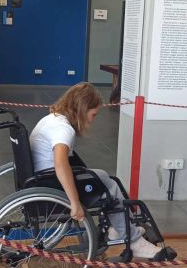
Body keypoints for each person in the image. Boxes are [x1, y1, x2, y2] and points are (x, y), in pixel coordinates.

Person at [28, 82, 169, 259]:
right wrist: (75, 203)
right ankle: (134, 241)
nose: (93, 119)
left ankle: (120, 228)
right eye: (93, 114)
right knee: (109, 187)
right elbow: (61, 164)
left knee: (106, 179)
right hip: (53, 183)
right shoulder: (63, 129)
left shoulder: (52, 119)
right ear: (82, 109)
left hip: (43, 177)